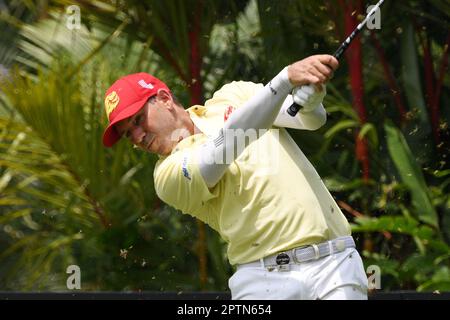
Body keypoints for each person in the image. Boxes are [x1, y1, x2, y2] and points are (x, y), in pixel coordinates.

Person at [102, 54, 369, 300]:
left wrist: (311, 100)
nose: (137, 137)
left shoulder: (233, 95)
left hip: (335, 266)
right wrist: (285, 79)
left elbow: (308, 120)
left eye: (137, 121)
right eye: (128, 135)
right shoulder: (166, 176)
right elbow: (223, 148)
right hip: (264, 282)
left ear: (164, 99)